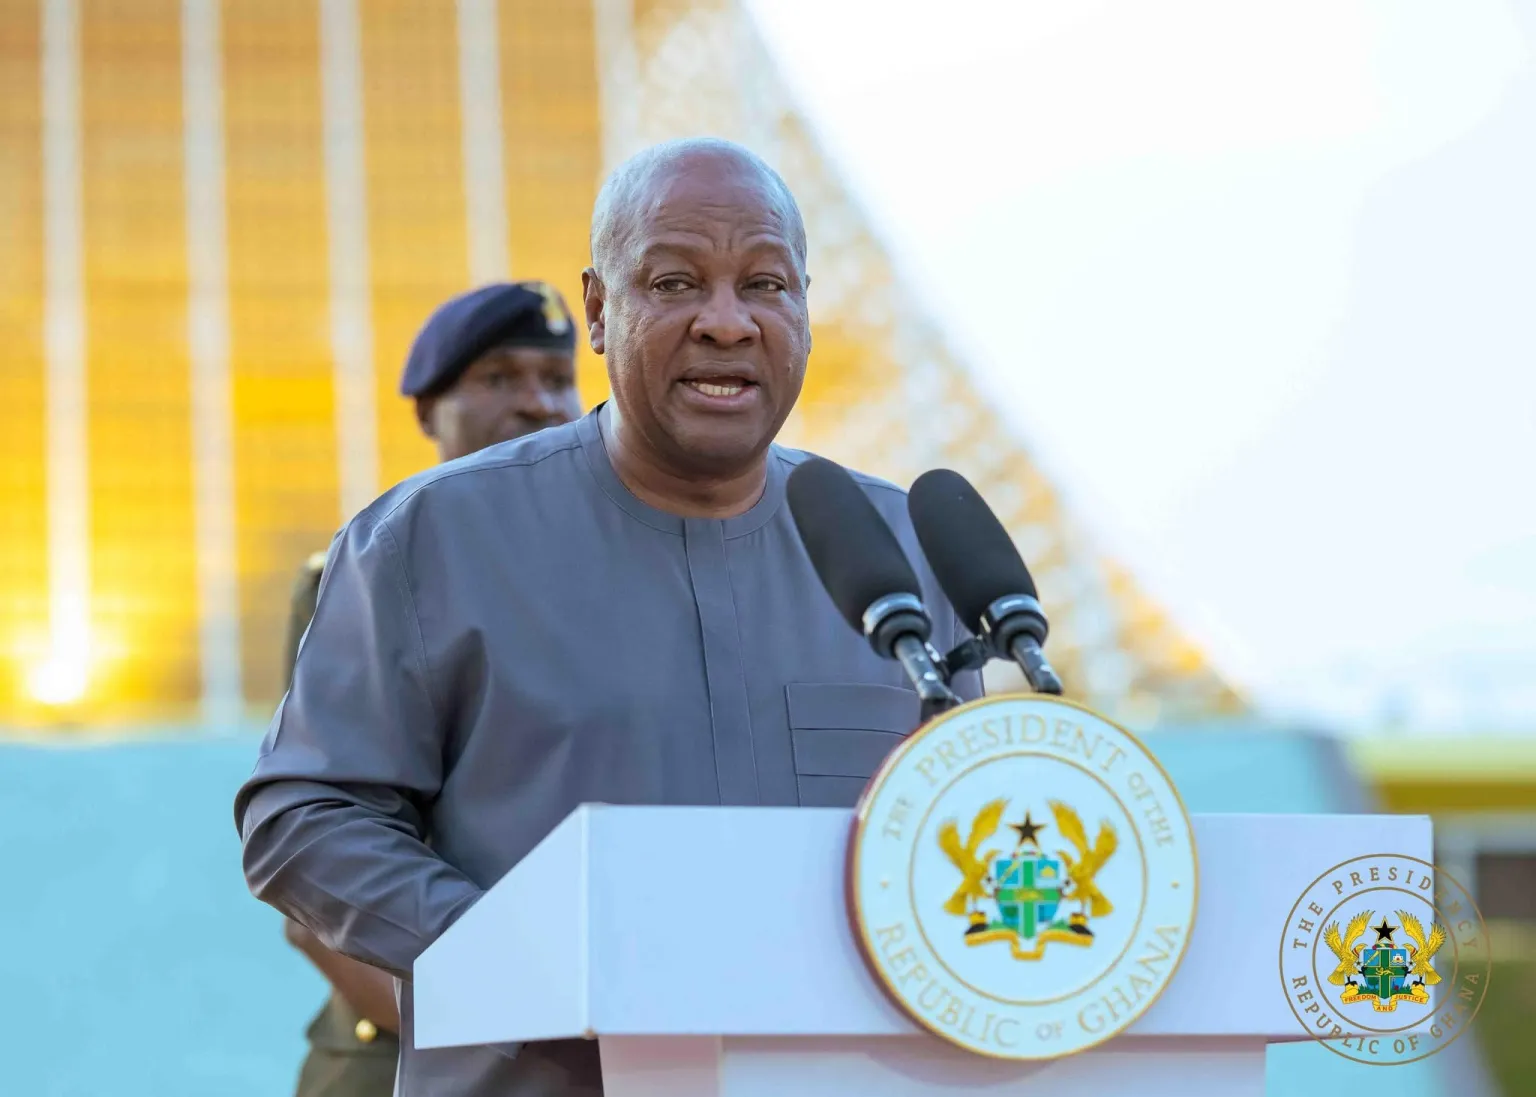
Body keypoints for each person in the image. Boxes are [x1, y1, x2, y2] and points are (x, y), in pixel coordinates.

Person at [236, 137, 982, 1097]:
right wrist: (522, 967)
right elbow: (305, 815)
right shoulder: (431, 540)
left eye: (765, 284)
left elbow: (974, 831)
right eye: (675, 283)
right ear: (597, 310)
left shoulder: (904, 550)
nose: (727, 323)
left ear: (804, 305)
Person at [278, 280, 583, 1097]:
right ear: (426, 411)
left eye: (558, 380)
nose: (538, 403)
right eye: (498, 378)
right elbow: (317, 875)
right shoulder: (371, 577)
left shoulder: (613, 581)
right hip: (408, 1054)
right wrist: (497, 1045)